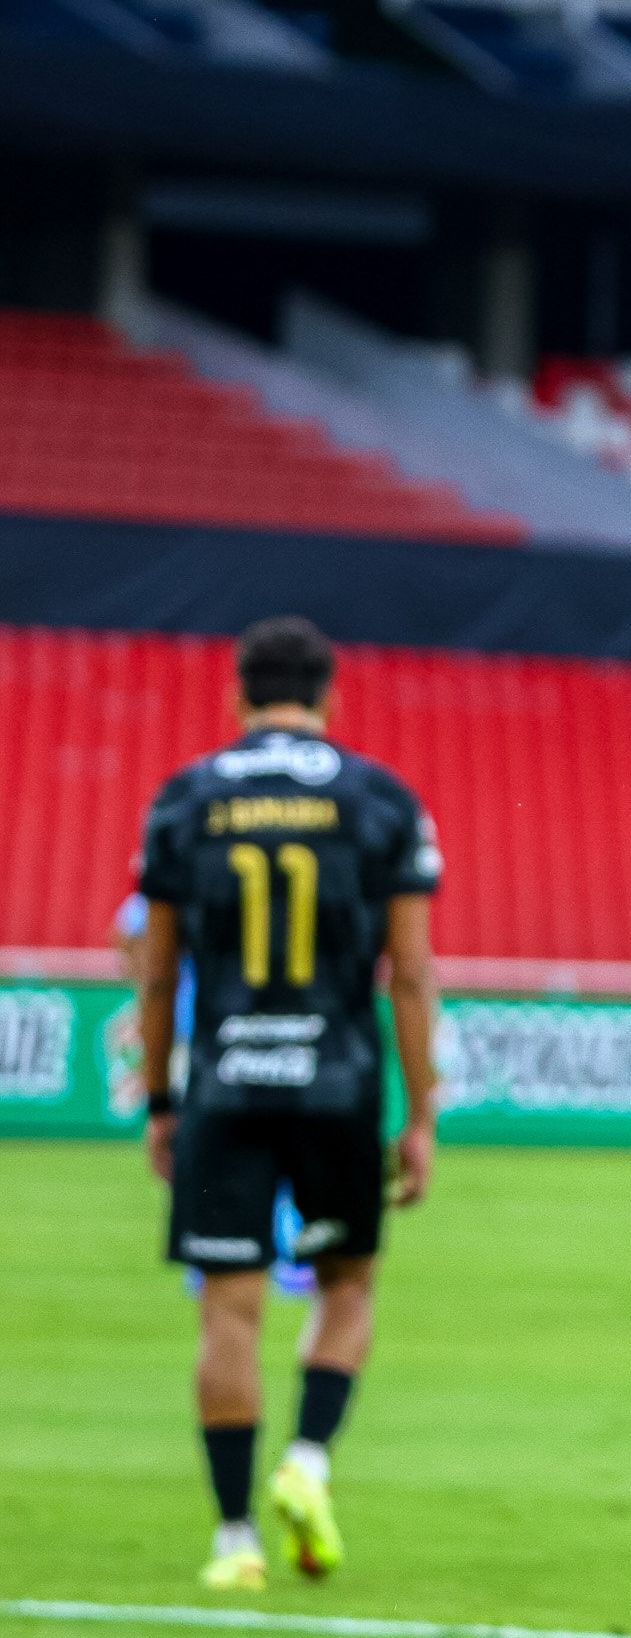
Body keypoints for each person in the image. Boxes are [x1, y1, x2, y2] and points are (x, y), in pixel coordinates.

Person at [135, 616, 443, 1591]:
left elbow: (157, 970)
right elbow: (410, 974)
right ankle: (306, 1460)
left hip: (225, 1084)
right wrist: (421, 1113)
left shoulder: (186, 797)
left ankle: (234, 1540)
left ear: (238, 694)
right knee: (347, 1285)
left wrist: (159, 1099)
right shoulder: (381, 798)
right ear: (329, 696)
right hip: (339, 1084)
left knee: (229, 1310)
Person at [121, 893, 317, 1301]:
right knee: (277, 1142)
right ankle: (286, 1256)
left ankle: (212, 1253)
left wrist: (153, 982)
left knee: (208, 1146)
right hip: (255, 1030)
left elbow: (129, 932)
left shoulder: (194, 873)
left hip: (209, 1036)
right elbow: (129, 934)